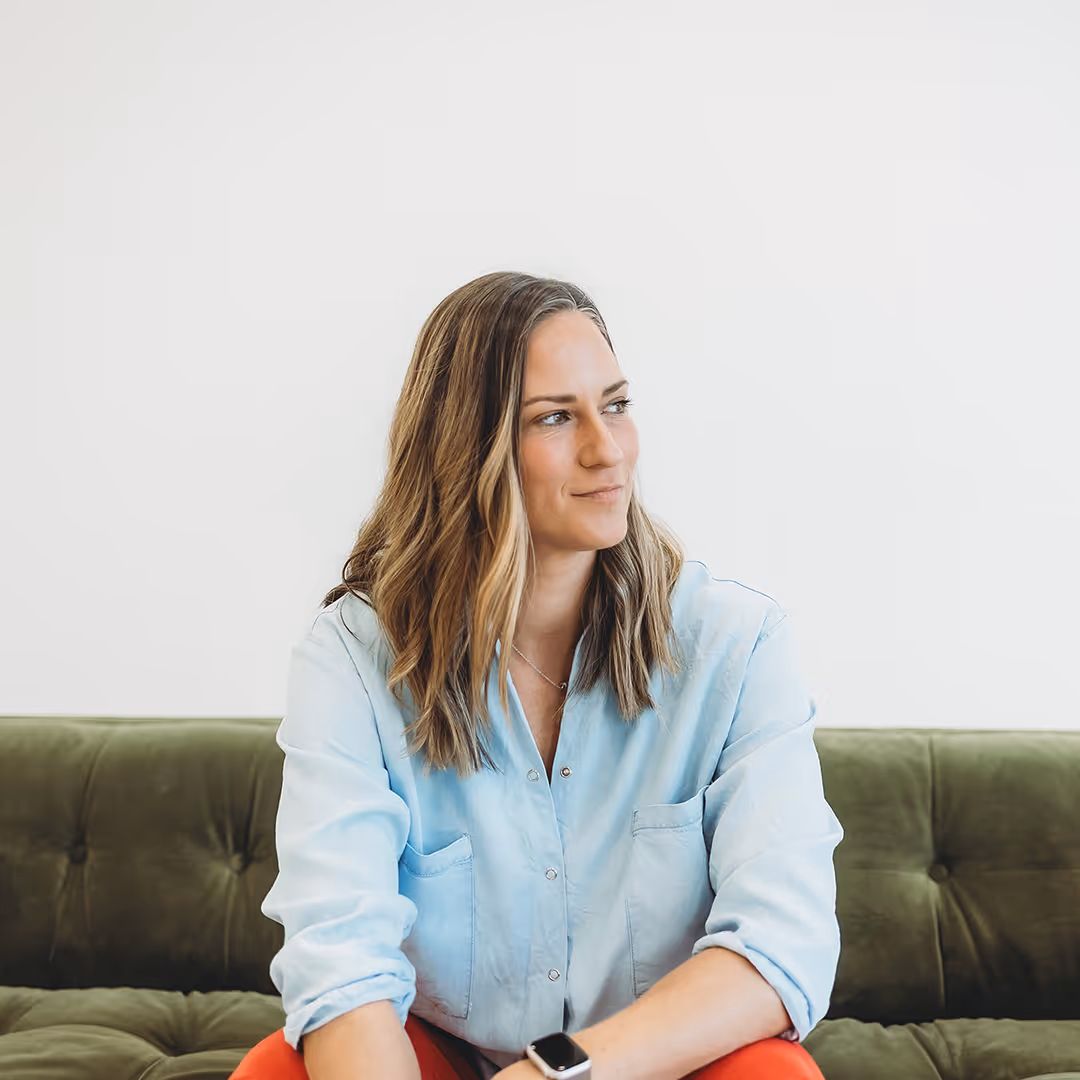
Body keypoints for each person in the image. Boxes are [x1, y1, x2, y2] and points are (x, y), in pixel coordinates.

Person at [231, 271, 844, 1080]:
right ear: (467, 447)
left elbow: (781, 944)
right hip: (435, 1057)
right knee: (279, 1069)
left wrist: (556, 1072)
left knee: (775, 1075)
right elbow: (342, 963)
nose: (607, 448)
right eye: (556, 418)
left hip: (646, 1065)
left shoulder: (737, 644)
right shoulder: (352, 656)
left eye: (616, 405)